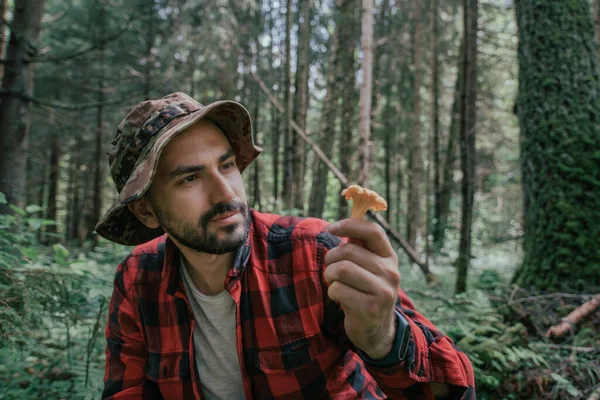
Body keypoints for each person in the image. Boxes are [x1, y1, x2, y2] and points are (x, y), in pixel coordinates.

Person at [97, 92, 475, 400]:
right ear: (146, 210)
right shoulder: (136, 279)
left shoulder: (314, 254)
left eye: (226, 165)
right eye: (190, 178)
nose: (226, 192)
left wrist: (384, 338)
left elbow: (456, 390)